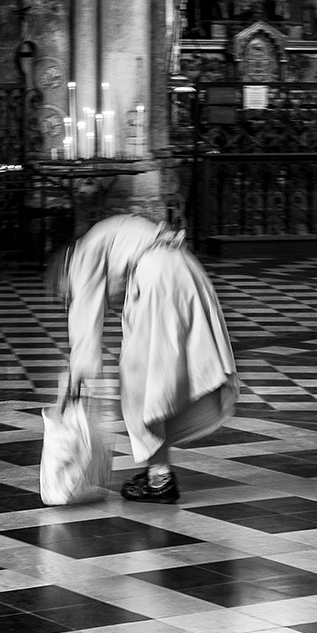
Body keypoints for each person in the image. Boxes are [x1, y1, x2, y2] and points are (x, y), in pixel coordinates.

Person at [49, 214, 239, 503]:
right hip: (185, 271)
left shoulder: (82, 255)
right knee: (176, 371)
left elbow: (85, 315)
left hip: (158, 282)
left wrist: (77, 377)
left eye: (63, 293)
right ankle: (158, 467)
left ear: (64, 270)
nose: (67, 299)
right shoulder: (109, 237)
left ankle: (159, 479)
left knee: (140, 383)